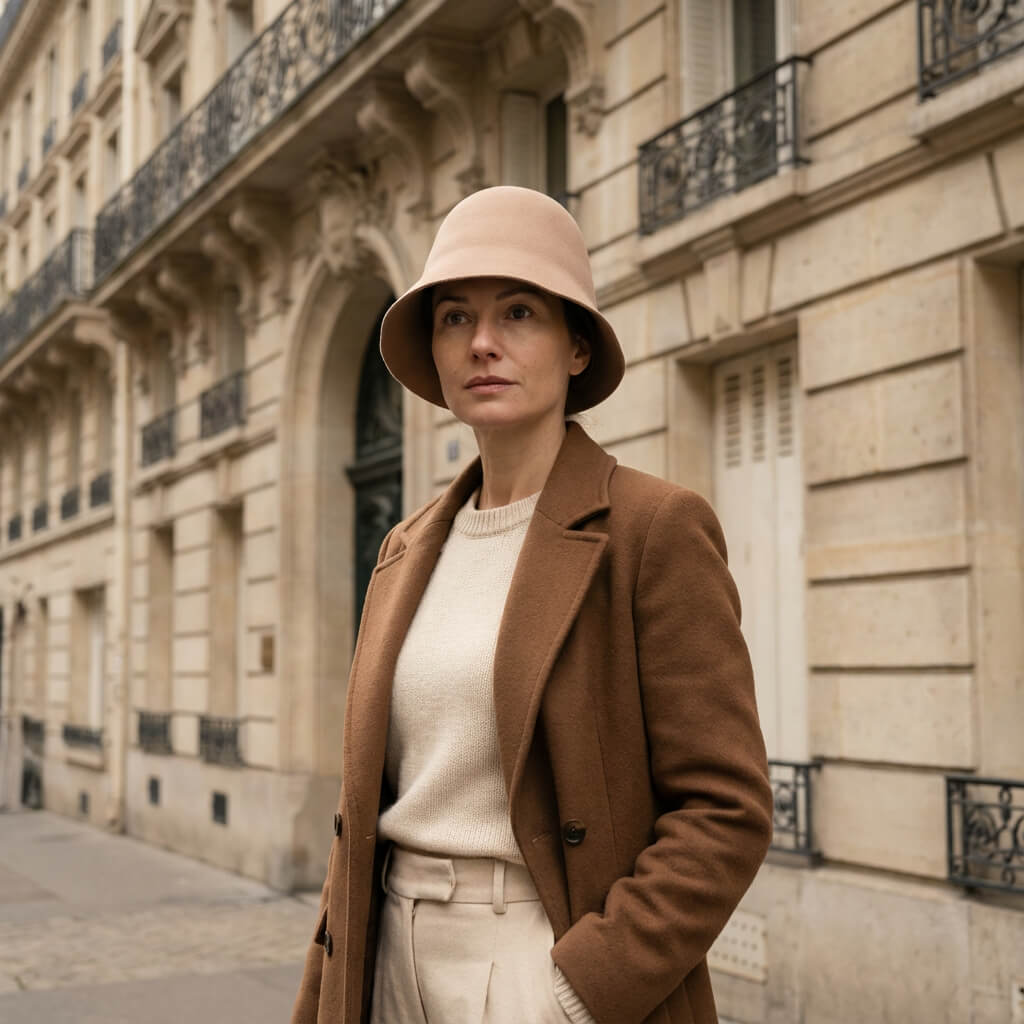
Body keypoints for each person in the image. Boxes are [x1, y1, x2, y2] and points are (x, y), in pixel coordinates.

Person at [291, 186, 772, 1024]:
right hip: (386, 959)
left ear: (576, 346)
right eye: (455, 317)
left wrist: (576, 991)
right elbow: (361, 816)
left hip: (538, 961)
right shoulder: (404, 549)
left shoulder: (652, 529)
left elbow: (725, 810)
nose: (482, 342)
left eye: (518, 312)